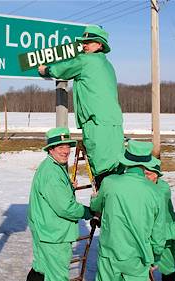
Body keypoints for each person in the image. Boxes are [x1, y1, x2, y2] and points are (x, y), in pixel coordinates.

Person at [11, 127, 93, 281]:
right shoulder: (52, 173)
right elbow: (66, 208)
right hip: (55, 233)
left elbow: (54, 197)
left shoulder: (52, 166)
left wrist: (67, 188)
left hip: (44, 229)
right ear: (50, 149)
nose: (65, 151)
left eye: (67, 146)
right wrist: (89, 212)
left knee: (42, 266)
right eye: (60, 147)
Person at [38, 25, 124, 188]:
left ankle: (104, 210)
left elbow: (63, 69)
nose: (84, 45)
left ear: (100, 45)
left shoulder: (86, 60)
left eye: (89, 42)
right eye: (83, 42)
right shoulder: (108, 65)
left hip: (96, 122)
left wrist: (45, 69)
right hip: (114, 124)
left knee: (102, 172)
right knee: (116, 169)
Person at [89, 140, 166, 281]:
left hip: (111, 252)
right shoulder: (156, 192)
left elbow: (95, 205)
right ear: (145, 164)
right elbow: (159, 232)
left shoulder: (109, 183)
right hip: (139, 256)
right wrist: (156, 256)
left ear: (126, 160)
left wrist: (95, 197)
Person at [144, 164, 175, 281]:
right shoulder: (152, 185)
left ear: (156, 175)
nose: (145, 177)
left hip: (166, 225)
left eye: (148, 174)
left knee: (168, 260)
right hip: (159, 225)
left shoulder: (162, 188)